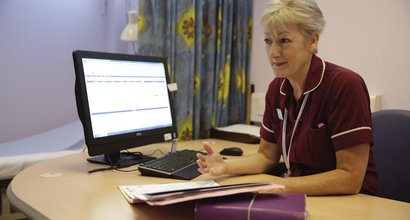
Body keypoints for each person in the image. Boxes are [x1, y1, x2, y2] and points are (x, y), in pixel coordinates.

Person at [197, 0, 377, 196]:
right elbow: (266, 156)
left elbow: (350, 178)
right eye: (268, 41)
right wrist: (226, 166)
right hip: (301, 195)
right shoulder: (277, 88)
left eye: (284, 41)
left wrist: (278, 186)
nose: (273, 52)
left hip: (351, 203)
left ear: (312, 41)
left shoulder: (344, 85)